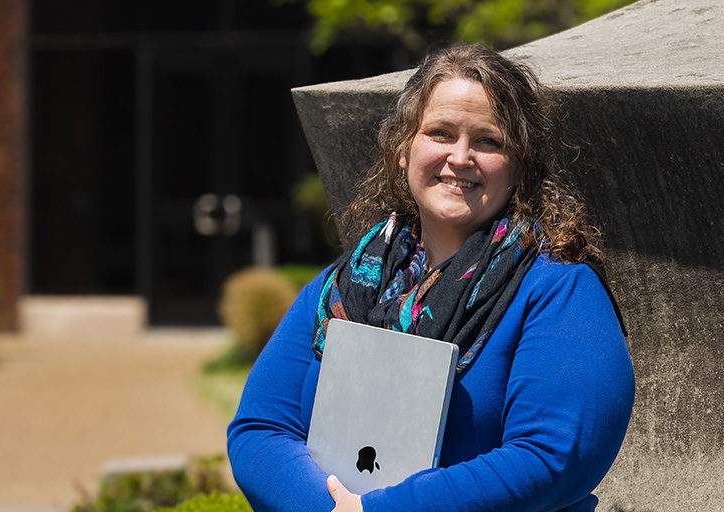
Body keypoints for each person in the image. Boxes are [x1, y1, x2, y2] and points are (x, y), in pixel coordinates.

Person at [227, 44, 635, 512]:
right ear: (404, 150)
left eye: (489, 141)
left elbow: (552, 459)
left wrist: (381, 510)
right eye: (440, 133)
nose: (460, 157)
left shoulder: (559, 290)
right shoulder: (338, 288)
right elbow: (259, 429)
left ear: (520, 165)